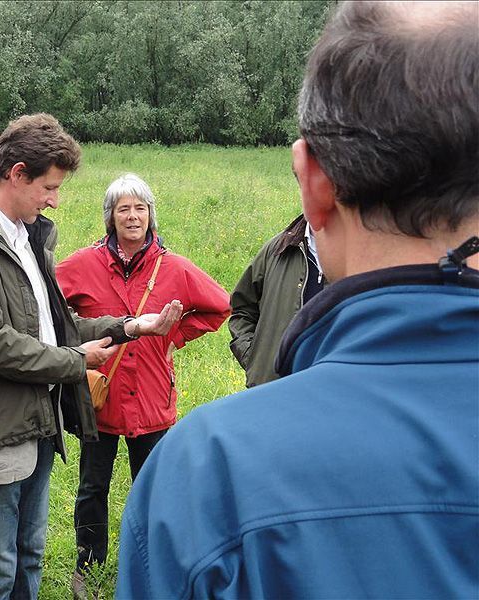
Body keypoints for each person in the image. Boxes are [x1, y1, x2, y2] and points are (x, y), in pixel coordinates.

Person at [116, 2, 479, 598]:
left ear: (313, 183)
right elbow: (239, 304)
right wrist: (254, 351)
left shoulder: (210, 476)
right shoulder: (274, 254)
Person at [0, 113, 183, 599]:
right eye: (49, 186)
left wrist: (129, 327)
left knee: (29, 557)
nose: (54, 200)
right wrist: (74, 362)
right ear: (16, 173)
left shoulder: (30, 237)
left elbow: (53, 327)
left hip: (37, 423)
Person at [55, 173, 230, 598]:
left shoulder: (174, 267)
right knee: (92, 486)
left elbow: (220, 306)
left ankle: (150, 568)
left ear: (151, 215)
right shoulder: (83, 264)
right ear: (109, 218)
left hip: (152, 398)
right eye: (123, 209)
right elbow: (47, 310)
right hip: (101, 398)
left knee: (151, 488)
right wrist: (76, 342)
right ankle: (89, 569)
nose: (132, 217)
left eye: (140, 208)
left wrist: (173, 336)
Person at [228, 214, 326, 387]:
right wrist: (254, 359)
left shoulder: (366, 260)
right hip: (269, 390)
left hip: (329, 397)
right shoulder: (277, 250)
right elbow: (242, 309)